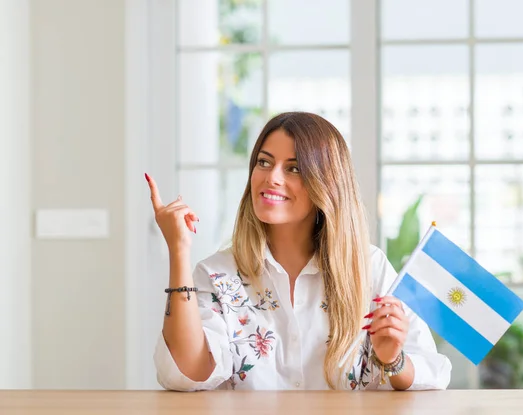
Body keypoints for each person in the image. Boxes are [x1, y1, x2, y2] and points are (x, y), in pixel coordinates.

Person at [148, 112, 451, 391]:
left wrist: (391, 360)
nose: (272, 177)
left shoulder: (369, 267)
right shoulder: (217, 274)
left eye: (293, 168)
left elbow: (432, 373)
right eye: (264, 162)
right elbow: (186, 375)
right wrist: (179, 250)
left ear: (326, 184)